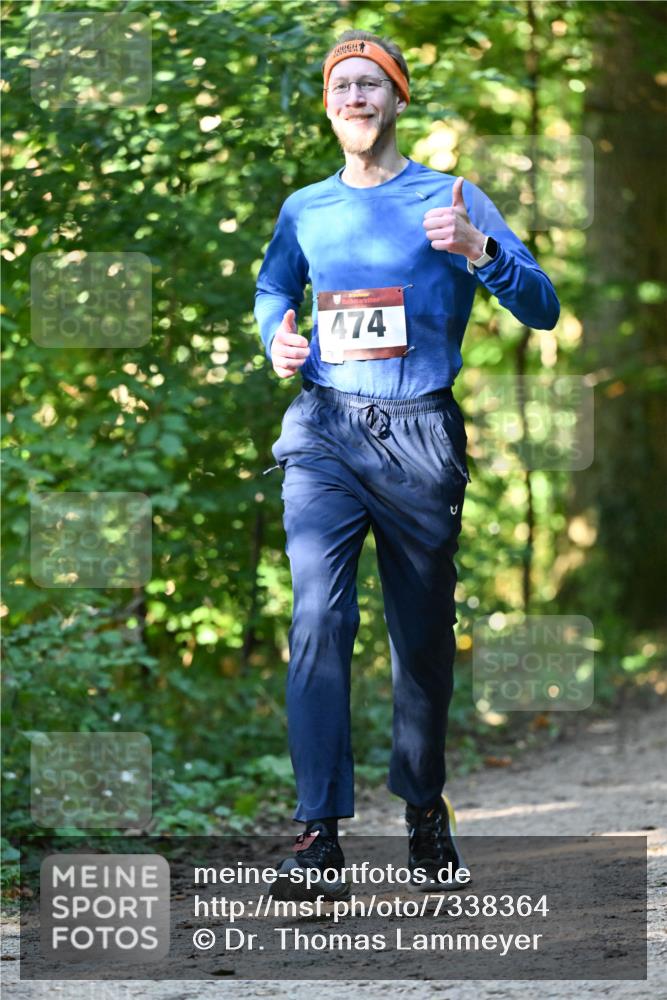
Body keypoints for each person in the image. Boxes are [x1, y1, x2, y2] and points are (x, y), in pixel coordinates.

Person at [254, 30, 559, 901]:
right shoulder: (306, 207)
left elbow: (542, 306)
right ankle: (318, 835)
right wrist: (275, 337)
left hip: (420, 434)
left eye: (370, 84)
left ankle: (423, 807)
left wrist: (478, 250)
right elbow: (274, 287)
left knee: (420, 640)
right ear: (327, 107)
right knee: (316, 617)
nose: (354, 97)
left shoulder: (453, 196)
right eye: (340, 87)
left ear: (396, 99)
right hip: (323, 429)